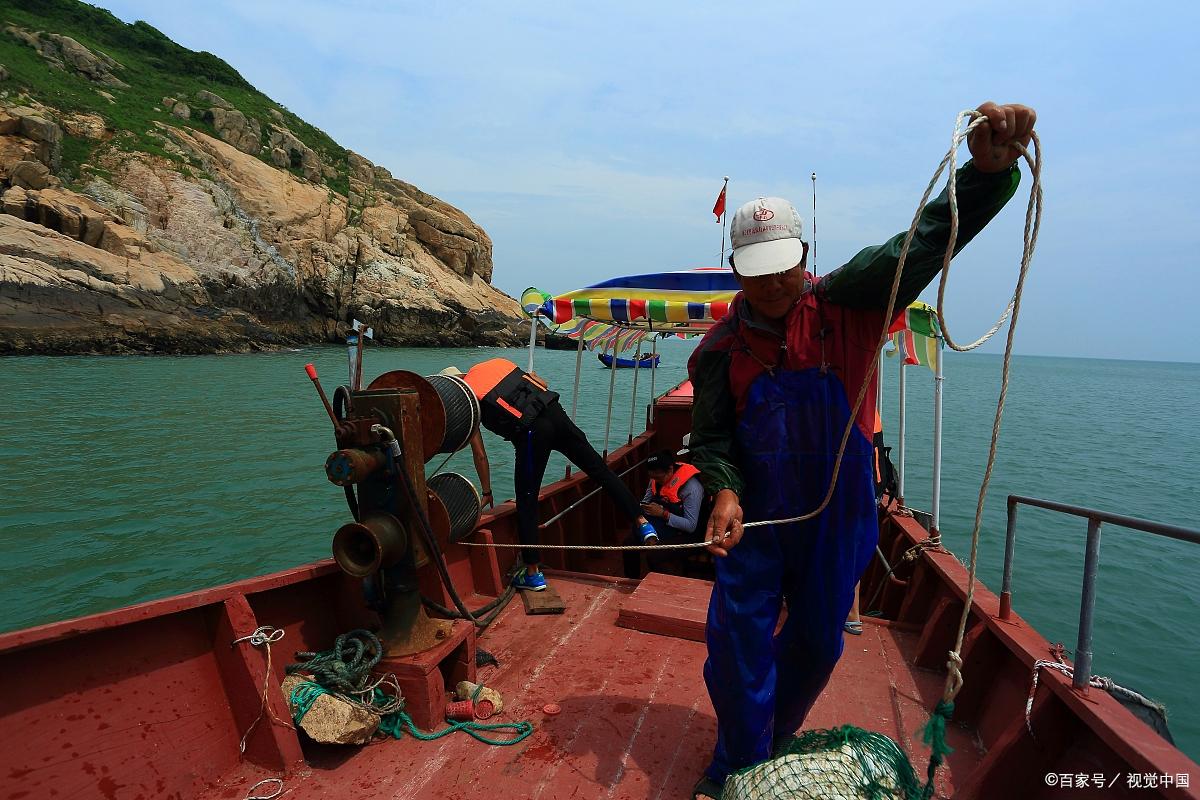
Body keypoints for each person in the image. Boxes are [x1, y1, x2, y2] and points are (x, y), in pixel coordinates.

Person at [687, 101, 1036, 798]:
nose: (775, 283)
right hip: (754, 520)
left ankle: (769, 743)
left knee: (818, 643)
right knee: (734, 646)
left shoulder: (853, 302)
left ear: (805, 257)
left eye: (786, 266)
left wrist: (984, 173)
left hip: (836, 513)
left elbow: (925, 239)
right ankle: (741, 769)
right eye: (758, 271)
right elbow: (715, 440)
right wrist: (723, 488)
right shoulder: (717, 353)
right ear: (735, 270)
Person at [444, 359, 658, 592]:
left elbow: (480, 455)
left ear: (455, 388)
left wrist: (486, 491)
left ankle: (533, 573)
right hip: (556, 414)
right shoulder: (497, 364)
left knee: (526, 500)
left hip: (531, 433)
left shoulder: (469, 401)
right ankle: (642, 522)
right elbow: (540, 382)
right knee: (600, 470)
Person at [621, 448, 706, 578]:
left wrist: (663, 514)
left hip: (690, 534)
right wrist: (641, 509)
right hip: (666, 525)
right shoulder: (655, 479)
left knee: (655, 554)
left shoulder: (692, 488)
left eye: (658, 477)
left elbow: (691, 525)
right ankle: (631, 581)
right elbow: (646, 500)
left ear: (670, 470)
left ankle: (665, 589)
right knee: (629, 543)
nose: (655, 480)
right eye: (652, 477)